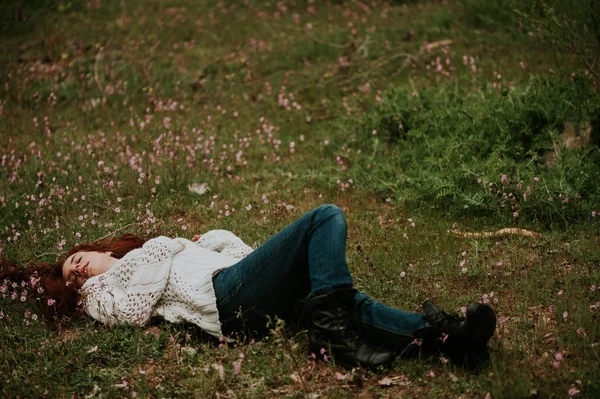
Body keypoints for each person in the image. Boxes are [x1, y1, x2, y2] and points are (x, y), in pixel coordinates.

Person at [4, 204, 496, 370]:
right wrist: (168, 244)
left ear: (97, 247)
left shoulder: (149, 253)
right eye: (72, 277)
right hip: (225, 303)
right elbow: (131, 312)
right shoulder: (103, 292)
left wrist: (198, 241)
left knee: (340, 297)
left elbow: (237, 252)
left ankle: (444, 340)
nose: (82, 272)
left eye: (79, 261)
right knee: (325, 217)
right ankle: (329, 328)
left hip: (236, 284)